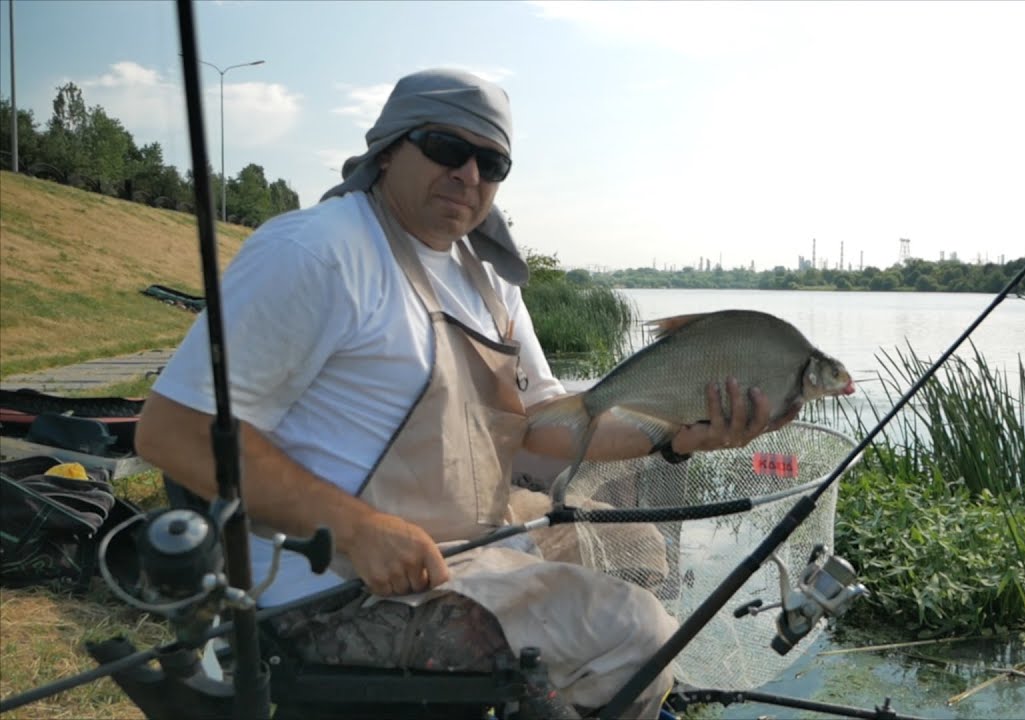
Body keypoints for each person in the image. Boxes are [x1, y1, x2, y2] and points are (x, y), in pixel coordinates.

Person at [135, 68, 793, 719]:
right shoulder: (319, 251)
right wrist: (358, 531)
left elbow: (542, 423)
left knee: (640, 545)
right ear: (388, 148)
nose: (469, 176)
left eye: (492, 162)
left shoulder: (486, 278)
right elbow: (172, 432)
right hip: (335, 588)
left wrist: (677, 434)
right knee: (640, 636)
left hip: (459, 547)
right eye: (447, 149)